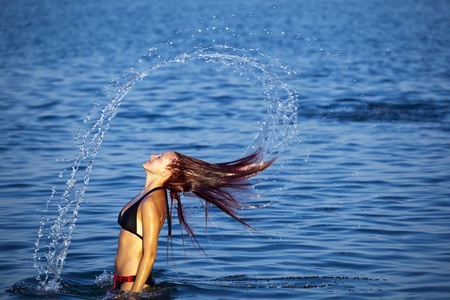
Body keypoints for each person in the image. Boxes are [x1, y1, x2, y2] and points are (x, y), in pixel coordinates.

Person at [114, 148, 274, 293]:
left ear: (165, 173)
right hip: (123, 283)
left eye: (159, 157)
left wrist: (133, 296)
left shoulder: (151, 203)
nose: (153, 156)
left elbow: (150, 255)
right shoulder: (146, 195)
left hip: (134, 285)